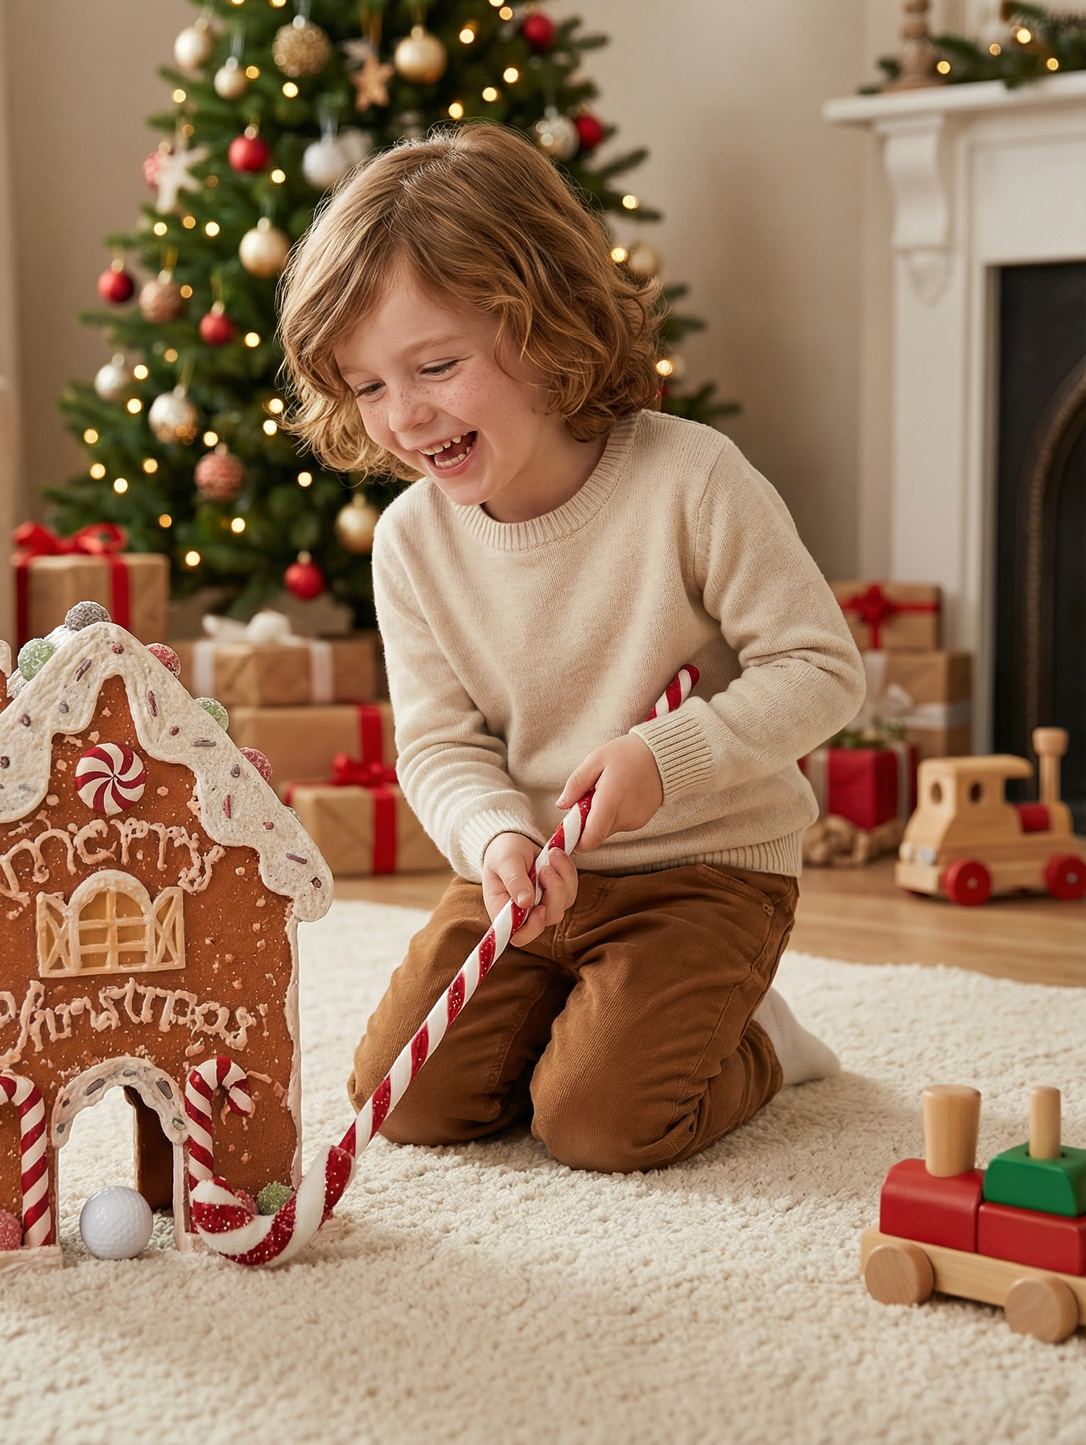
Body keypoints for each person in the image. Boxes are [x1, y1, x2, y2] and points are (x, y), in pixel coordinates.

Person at [276, 124, 864, 1174]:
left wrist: (663, 758)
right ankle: (585, 1017)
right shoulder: (411, 541)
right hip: (529, 876)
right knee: (402, 1097)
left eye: (435, 365)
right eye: (366, 385)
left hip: (702, 871)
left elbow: (819, 670)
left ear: (542, 323)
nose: (403, 416)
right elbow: (438, 745)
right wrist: (496, 837)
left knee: (599, 1124)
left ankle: (765, 1035)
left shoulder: (690, 481)